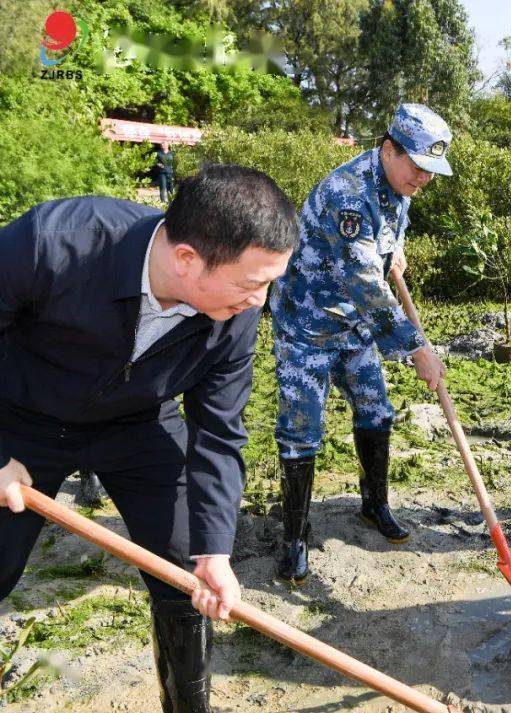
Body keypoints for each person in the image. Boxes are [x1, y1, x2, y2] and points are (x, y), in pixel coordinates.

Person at [0, 164, 298, 711]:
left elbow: (218, 429)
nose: (261, 301)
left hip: (137, 423)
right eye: (254, 283)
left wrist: (215, 550)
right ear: (187, 259)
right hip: (20, 420)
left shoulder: (236, 312)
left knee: (187, 575)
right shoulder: (55, 244)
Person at [269, 104, 450, 584]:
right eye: (416, 167)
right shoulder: (347, 195)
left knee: (377, 411)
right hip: (307, 323)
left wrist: (393, 252)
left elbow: (383, 243)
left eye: (431, 171)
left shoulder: (399, 186)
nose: (423, 179)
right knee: (301, 429)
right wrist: (417, 348)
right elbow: (366, 284)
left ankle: (375, 504)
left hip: (353, 326)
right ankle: (294, 537)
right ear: (389, 149)